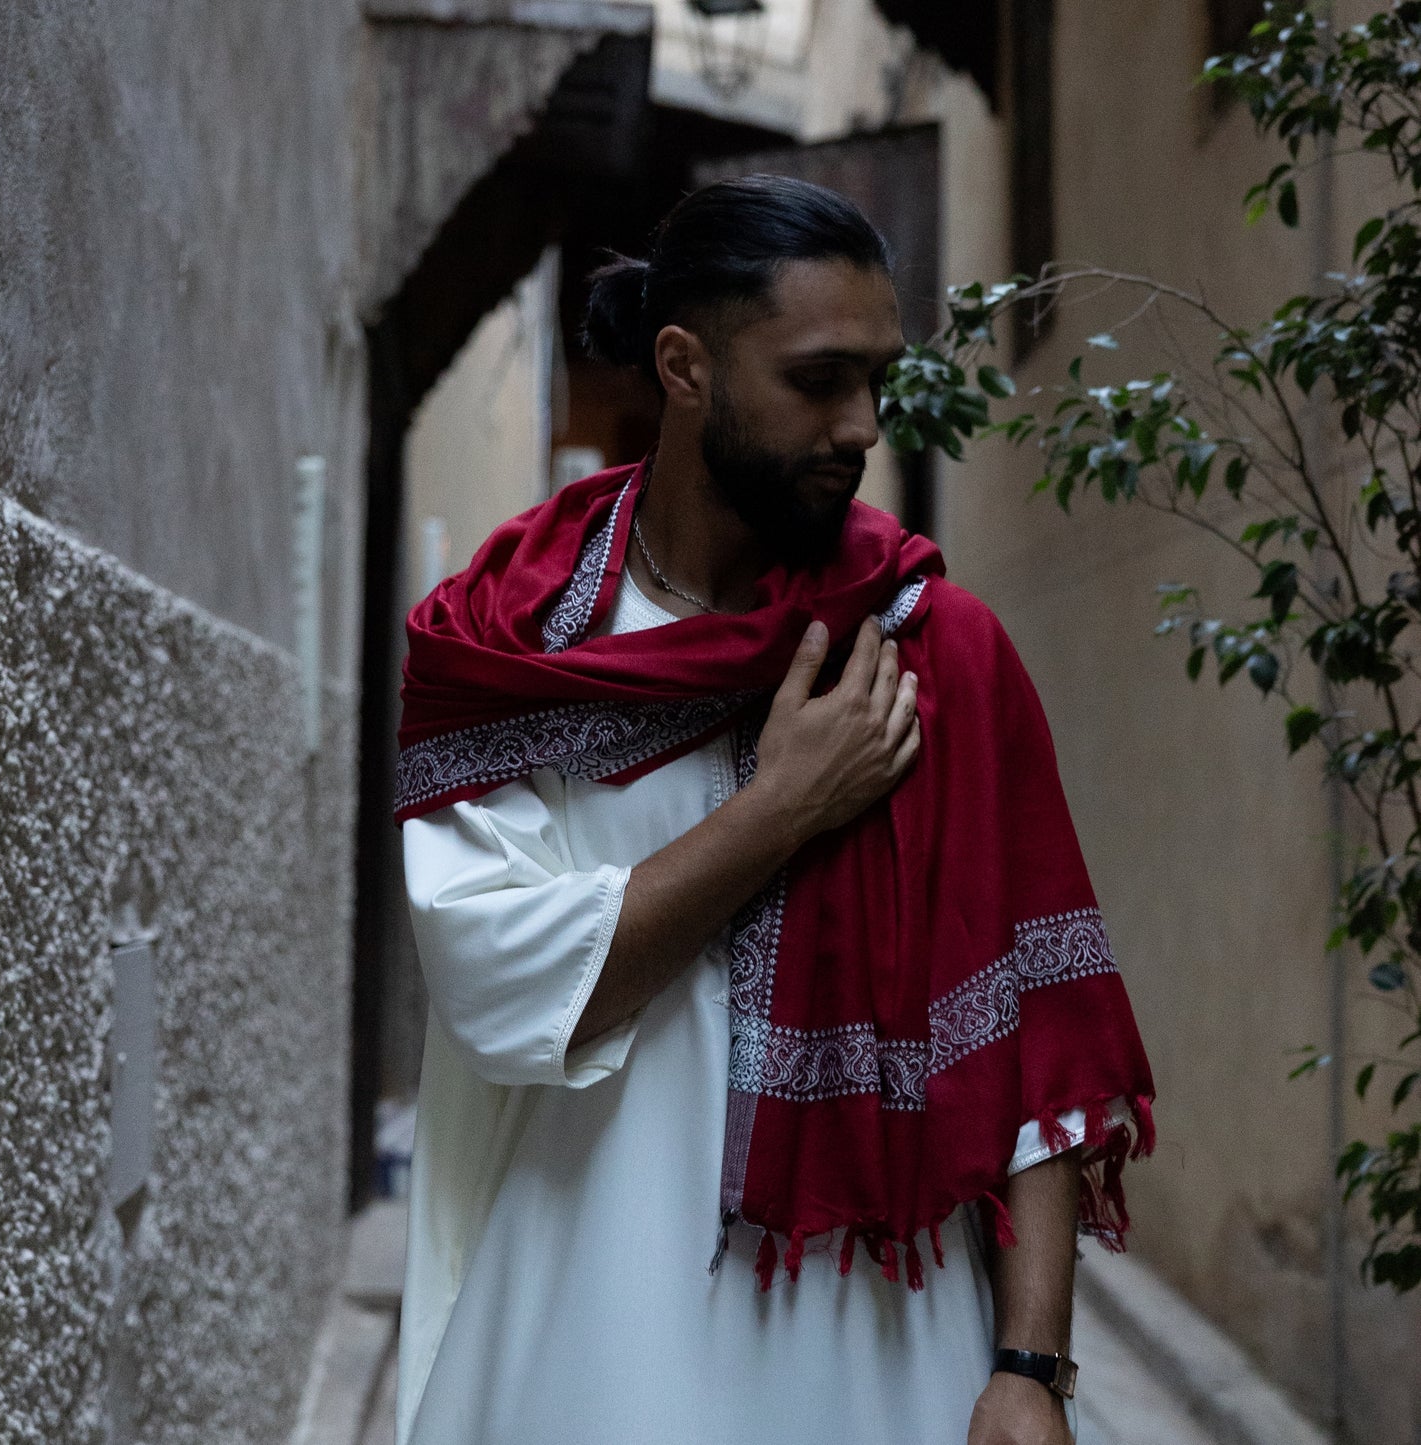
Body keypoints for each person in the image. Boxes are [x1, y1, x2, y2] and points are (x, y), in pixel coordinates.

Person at [392, 174, 1154, 1445]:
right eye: (816, 378)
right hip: (588, 1337)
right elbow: (500, 986)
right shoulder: (516, 644)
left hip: (882, 1340)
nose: (861, 423)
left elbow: (1027, 1038)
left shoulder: (931, 649)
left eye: (877, 378)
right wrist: (783, 805)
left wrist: (1030, 1362)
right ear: (685, 365)